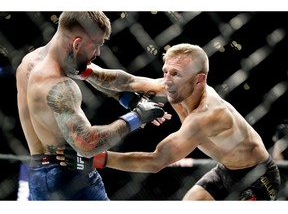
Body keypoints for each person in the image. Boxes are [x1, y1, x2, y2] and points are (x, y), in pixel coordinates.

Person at [58, 43, 281, 200]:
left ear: (198, 80)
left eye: (175, 74)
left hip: (259, 178)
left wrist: (96, 158)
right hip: (227, 170)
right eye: (165, 72)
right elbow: (129, 81)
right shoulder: (173, 87)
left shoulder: (207, 115)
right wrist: (87, 71)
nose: (167, 81)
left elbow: (156, 161)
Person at [15, 11, 168, 200]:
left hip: (39, 173)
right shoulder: (59, 85)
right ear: (77, 43)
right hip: (68, 176)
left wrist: (132, 99)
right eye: (97, 46)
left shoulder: (30, 63)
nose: (97, 53)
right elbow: (87, 144)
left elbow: (103, 77)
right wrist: (137, 116)